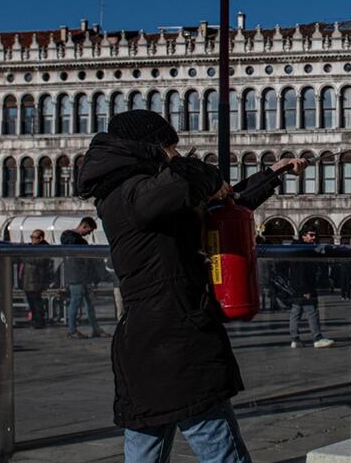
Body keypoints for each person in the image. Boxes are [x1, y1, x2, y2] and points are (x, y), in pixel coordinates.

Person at [76, 109, 304, 462]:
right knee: (219, 448)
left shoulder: (138, 194)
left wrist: (271, 174)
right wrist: (206, 177)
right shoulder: (134, 194)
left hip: (146, 343)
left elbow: (221, 207)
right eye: (171, 147)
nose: (176, 155)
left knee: (145, 449)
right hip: (177, 339)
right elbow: (192, 180)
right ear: (151, 147)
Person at [282, 228, 334, 349]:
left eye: (315, 235)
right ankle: (317, 338)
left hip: (295, 286)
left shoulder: (296, 248)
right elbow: (302, 271)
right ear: (303, 236)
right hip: (304, 286)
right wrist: (305, 289)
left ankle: (295, 339)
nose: (313, 237)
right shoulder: (303, 250)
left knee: (296, 311)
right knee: (312, 311)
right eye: (311, 235)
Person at [62, 217, 107, 340]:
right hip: (76, 275)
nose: (89, 234)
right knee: (76, 302)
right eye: (89, 231)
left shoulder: (72, 238)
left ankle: (94, 328)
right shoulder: (71, 237)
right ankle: (72, 330)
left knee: (88, 303)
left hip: (81, 275)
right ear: (84, 226)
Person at [22, 229, 54, 329]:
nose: (32, 239)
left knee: (36, 301)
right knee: (31, 301)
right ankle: (35, 320)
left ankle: (39, 321)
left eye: (34, 237)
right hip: (28, 278)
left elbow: (41, 260)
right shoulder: (30, 247)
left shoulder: (44, 248)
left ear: (41, 238)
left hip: (36, 278)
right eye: (31, 237)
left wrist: (25, 257)